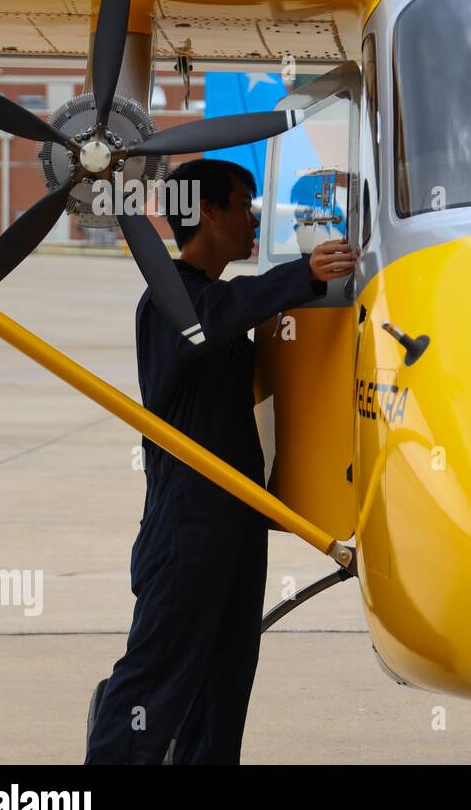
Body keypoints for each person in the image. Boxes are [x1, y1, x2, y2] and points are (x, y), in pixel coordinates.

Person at [86, 158, 355, 764]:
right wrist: (302, 276)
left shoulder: (211, 302)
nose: (253, 220)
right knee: (157, 680)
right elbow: (215, 315)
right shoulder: (169, 300)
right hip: (187, 526)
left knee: (223, 683)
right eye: (244, 206)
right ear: (208, 212)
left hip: (231, 522)